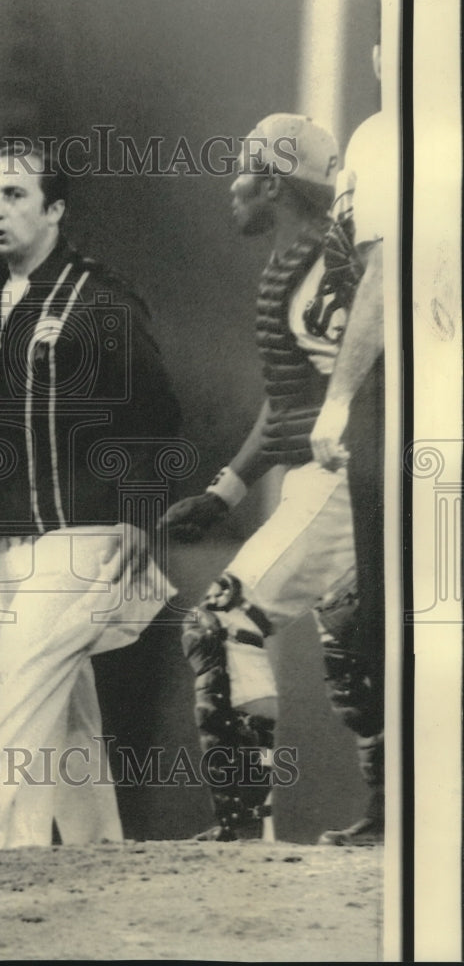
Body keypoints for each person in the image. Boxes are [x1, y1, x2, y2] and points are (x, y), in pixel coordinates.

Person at [0, 142, 181, 850]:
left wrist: (141, 510)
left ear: (55, 209)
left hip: (85, 541)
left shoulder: (98, 296)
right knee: (70, 718)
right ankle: (99, 859)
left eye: (16, 196)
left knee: (18, 709)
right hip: (16, 547)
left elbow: (159, 410)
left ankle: (7, 863)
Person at [160, 114, 363, 841]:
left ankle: (246, 829)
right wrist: (226, 491)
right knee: (353, 659)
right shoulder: (302, 262)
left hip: (343, 482)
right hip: (340, 483)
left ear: (273, 182)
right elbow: (288, 395)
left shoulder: (325, 272)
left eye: (244, 170)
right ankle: (385, 823)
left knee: (219, 623)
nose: (234, 186)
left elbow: (367, 389)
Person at [311, 44, 391, 846]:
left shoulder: (385, 133)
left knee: (378, 615)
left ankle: (400, 813)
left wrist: (338, 399)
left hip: (411, 393)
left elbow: (385, 270)